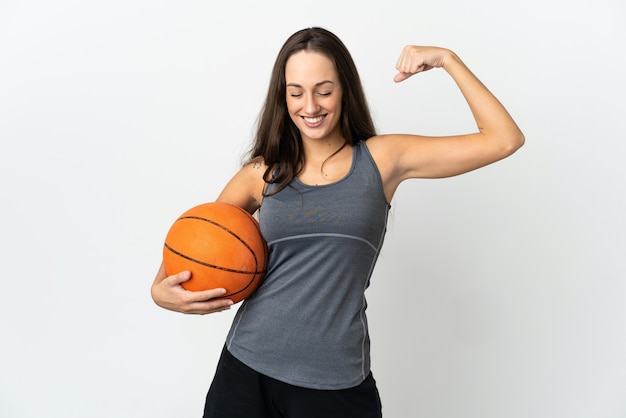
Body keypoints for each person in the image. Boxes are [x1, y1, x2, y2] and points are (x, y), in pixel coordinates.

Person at [151, 27, 524, 418]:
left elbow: (504, 139)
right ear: (283, 97)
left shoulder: (383, 160)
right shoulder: (262, 173)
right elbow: (194, 241)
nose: (309, 105)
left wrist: (448, 59)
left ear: (345, 89)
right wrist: (160, 292)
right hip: (246, 371)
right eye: (295, 92)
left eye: (323, 90)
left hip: (336, 383)